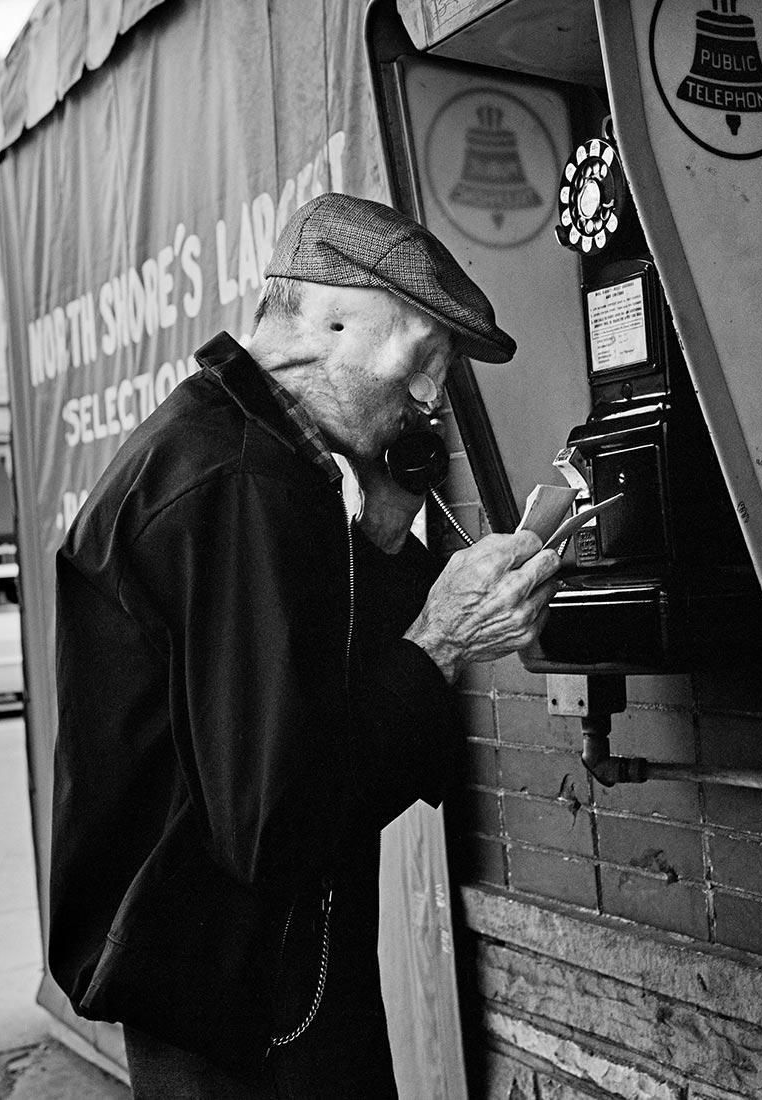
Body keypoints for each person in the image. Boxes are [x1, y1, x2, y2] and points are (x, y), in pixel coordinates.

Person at [49, 193, 561, 1098]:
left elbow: (311, 706)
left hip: (250, 989)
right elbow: (275, 821)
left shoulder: (255, 458)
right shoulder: (235, 481)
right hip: (248, 1021)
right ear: (332, 318)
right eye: (425, 353)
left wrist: (393, 533)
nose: (432, 392)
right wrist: (439, 641)